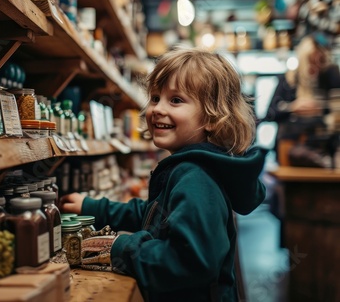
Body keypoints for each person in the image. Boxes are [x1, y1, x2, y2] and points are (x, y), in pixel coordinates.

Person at [60, 46, 267, 301]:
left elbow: (191, 263)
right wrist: (94, 207)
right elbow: (155, 215)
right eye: (155, 98)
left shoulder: (195, 178)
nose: (157, 108)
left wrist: (121, 249)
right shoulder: (187, 167)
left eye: (176, 100)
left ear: (213, 117)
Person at [263, 34, 340, 164]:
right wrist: (292, 107)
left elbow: (336, 117)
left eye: (319, 60)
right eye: (311, 60)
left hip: (323, 148)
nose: (315, 66)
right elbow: (270, 114)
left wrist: (321, 113)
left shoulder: (329, 78)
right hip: (290, 148)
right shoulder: (288, 80)